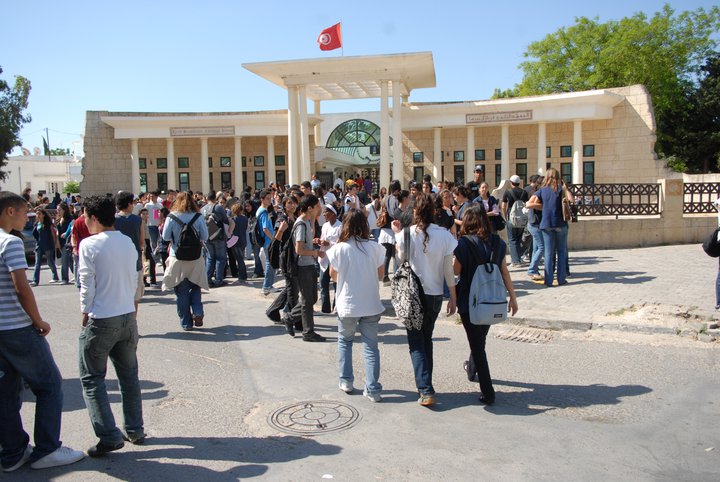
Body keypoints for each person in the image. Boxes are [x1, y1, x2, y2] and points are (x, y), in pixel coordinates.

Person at [0, 191, 85, 471]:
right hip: (16, 328)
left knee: (6, 390)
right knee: (49, 385)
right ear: (9, 211)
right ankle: (47, 448)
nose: (29, 217)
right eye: (25, 212)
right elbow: (21, 287)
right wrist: (37, 320)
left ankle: (13, 452)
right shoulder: (10, 243)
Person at [78, 195, 145, 457]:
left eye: (85, 216)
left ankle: (108, 435)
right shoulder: (126, 243)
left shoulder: (89, 245)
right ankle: (135, 429)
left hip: (102, 316)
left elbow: (87, 283)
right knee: (129, 377)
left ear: (94, 217)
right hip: (127, 314)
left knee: (92, 378)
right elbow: (133, 278)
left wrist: (85, 312)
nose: (84, 220)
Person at [392, 193, 457, 407]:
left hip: (412, 294)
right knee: (426, 337)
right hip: (435, 294)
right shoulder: (445, 235)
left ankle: (425, 389)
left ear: (416, 211)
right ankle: (427, 383)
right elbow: (448, 269)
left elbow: (401, 260)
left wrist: (396, 236)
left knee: (416, 341)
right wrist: (453, 296)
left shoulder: (406, 234)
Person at [453, 205, 518, 405]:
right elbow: (504, 271)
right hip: (492, 300)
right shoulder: (498, 243)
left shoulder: (464, 243)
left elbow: (456, 271)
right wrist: (513, 298)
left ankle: (488, 391)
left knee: (478, 345)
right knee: (479, 339)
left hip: (469, 301)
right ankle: (471, 369)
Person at [327, 208, 386, 402]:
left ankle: (346, 381)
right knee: (371, 347)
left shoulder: (339, 248)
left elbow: (333, 276)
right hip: (370, 302)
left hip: (348, 303)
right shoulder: (375, 247)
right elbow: (381, 275)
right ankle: (373, 389)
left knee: (345, 341)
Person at [162, 192, 210, 331]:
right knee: (195, 286)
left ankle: (186, 323)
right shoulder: (198, 216)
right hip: (195, 257)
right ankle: (198, 312)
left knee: (181, 290)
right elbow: (205, 236)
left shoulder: (171, 217)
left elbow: (165, 237)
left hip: (177, 257)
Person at [285, 194, 325, 342]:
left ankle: (289, 318)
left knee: (311, 298)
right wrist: (314, 252)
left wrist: (313, 243)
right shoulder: (301, 224)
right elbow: (299, 249)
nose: (319, 209)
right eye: (317, 207)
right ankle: (308, 332)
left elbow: (304, 244)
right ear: (310, 208)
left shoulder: (307, 222)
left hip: (308, 264)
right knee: (308, 301)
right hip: (304, 266)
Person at [525, 168, 574, 287]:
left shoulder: (542, 190)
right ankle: (561, 279)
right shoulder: (561, 190)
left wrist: (543, 206)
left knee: (548, 252)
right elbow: (572, 200)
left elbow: (528, 204)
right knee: (561, 252)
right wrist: (565, 187)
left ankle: (548, 280)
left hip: (546, 224)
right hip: (560, 224)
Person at [114, 191, 145, 313]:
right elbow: (141, 242)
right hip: (134, 259)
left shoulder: (113, 220)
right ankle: (132, 323)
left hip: (116, 260)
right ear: (128, 204)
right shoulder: (138, 220)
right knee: (134, 295)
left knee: (118, 293)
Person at [201, 191, 232, 288]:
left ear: (206, 199)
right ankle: (219, 280)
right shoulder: (218, 207)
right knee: (220, 258)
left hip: (207, 236)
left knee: (210, 258)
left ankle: (207, 279)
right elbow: (225, 220)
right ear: (215, 198)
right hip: (218, 236)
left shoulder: (202, 209)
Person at [502, 175, 530, 267]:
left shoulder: (508, 192)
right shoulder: (524, 192)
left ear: (511, 182)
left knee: (512, 239)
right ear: (519, 183)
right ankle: (518, 257)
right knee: (518, 239)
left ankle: (515, 261)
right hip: (521, 219)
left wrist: (505, 216)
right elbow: (527, 205)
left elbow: (503, 206)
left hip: (511, 218)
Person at [319, 205, 341, 314]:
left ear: (332, 213)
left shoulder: (340, 226)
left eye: (326, 212)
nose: (324, 214)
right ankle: (325, 309)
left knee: (336, 285)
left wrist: (330, 243)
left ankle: (336, 307)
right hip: (325, 259)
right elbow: (323, 239)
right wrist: (319, 241)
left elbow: (341, 243)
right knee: (323, 283)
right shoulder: (324, 226)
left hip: (336, 260)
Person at [256, 189, 279, 295]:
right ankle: (266, 286)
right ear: (262, 199)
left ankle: (268, 285)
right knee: (270, 263)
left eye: (270, 198)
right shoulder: (264, 212)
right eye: (267, 198)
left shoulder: (260, 210)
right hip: (268, 241)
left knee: (270, 263)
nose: (269, 200)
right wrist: (273, 238)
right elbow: (265, 228)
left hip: (265, 241)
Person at [31, 209, 60, 286]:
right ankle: (35, 280)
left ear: (43, 215)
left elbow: (53, 235)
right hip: (39, 246)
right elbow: (35, 234)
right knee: (37, 263)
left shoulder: (48, 224)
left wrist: (54, 245)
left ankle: (55, 276)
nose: (38, 215)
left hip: (48, 245)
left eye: (39, 214)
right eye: (37, 214)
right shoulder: (37, 224)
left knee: (50, 261)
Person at [229, 203, 248, 283]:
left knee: (239, 259)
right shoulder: (245, 218)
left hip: (235, 240)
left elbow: (230, 231)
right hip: (243, 240)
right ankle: (243, 275)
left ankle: (242, 276)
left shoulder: (234, 219)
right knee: (241, 258)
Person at [55, 203, 74, 284]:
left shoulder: (70, 219)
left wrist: (66, 233)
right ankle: (77, 275)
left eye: (59, 210)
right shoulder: (59, 219)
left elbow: (72, 229)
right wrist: (57, 242)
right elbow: (58, 231)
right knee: (69, 261)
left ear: (64, 210)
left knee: (65, 261)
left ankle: (64, 279)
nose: (58, 211)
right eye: (57, 210)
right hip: (62, 242)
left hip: (68, 242)